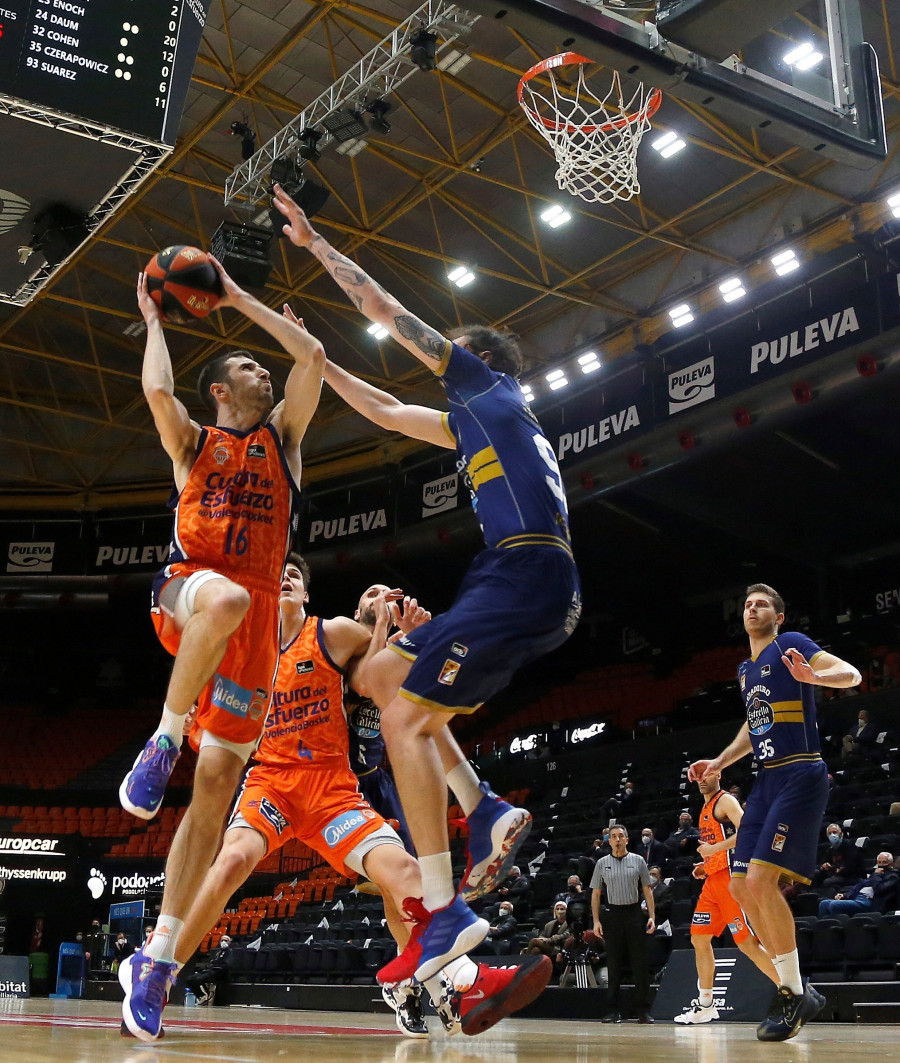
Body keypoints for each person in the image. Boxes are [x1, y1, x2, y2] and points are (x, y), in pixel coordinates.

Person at [273, 184, 580, 996]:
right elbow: (380, 405)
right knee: (379, 680)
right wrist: (316, 359)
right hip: (522, 576)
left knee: (402, 715)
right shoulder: (475, 421)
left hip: (525, 569)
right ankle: (482, 811)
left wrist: (314, 246)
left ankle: (446, 906)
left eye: (450, 355)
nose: (438, 363)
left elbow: (382, 305)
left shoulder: (483, 384)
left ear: (475, 359)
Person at [170, 558, 547, 1039]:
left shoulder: (332, 634)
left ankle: (461, 981)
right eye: (277, 572)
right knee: (230, 864)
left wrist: (408, 639)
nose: (284, 577)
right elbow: (217, 725)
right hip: (272, 783)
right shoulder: (244, 652)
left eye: (295, 575)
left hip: (334, 789)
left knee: (406, 874)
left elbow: (379, 677)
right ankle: (160, 969)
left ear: (306, 594)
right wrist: (188, 724)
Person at [117, 261, 324, 1042]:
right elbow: (156, 394)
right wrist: (160, 321)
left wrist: (239, 297)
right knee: (230, 597)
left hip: (249, 638)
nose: (261, 368)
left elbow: (312, 360)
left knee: (212, 799)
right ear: (220, 390)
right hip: (190, 592)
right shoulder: (194, 441)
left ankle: (158, 956)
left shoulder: (287, 442)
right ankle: (163, 738)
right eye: (247, 364)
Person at [688, 582, 861, 1042]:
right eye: (747, 604)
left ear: (779, 617)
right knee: (743, 888)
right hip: (765, 780)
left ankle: (792, 993)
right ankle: (797, 990)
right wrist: (721, 762)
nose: (753, 608)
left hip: (800, 773)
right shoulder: (746, 670)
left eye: (762, 604)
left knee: (762, 881)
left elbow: (852, 674)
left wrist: (817, 679)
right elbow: (754, 722)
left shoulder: (793, 645)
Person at [674, 770, 777, 1025]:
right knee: (699, 938)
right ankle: (707, 1005)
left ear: (718, 774)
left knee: (747, 944)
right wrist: (706, 864)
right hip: (713, 880)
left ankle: (792, 992)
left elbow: (749, 831)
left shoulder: (726, 800)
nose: (701, 780)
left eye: (706, 775)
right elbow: (717, 846)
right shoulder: (706, 806)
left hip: (732, 879)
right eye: (697, 777)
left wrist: (714, 850)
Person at [346, 583, 416, 855]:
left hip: (374, 776)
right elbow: (364, 684)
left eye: (386, 596)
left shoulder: (393, 652)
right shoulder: (343, 649)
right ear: (357, 612)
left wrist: (419, 639)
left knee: (408, 863)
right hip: (340, 781)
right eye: (372, 594)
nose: (380, 599)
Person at [590, 823, 655, 1024]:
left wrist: (652, 916)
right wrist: (596, 921)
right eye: (614, 836)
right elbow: (596, 893)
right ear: (609, 840)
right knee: (614, 964)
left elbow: (647, 890)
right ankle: (612, 1011)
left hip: (634, 913)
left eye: (621, 836)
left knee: (639, 964)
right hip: (613, 914)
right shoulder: (601, 863)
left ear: (627, 839)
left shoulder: (638, 861)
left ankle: (643, 1011)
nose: (617, 839)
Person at [817, 853, 898, 917]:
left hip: (869, 901)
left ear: (891, 864)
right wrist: (845, 895)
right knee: (823, 904)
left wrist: (877, 875)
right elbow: (860, 887)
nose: (881, 865)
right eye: (879, 862)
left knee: (834, 905)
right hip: (857, 897)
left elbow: (879, 889)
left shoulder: (893, 876)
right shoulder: (875, 874)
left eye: (884, 862)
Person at [810, 823, 865, 895]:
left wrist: (834, 870)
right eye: (830, 833)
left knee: (828, 881)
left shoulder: (850, 846)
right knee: (815, 874)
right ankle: (813, 896)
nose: (832, 835)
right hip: (837, 874)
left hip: (852, 877)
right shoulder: (830, 849)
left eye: (834, 832)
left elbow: (850, 867)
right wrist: (824, 867)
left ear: (841, 834)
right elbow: (825, 862)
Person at [184, 934, 232, 1005]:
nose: (223, 942)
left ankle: (207, 996)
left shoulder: (230, 952)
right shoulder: (217, 952)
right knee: (189, 979)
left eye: (226, 940)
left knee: (199, 979)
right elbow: (210, 961)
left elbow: (227, 965)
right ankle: (202, 996)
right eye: (222, 940)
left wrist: (216, 966)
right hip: (209, 970)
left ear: (229, 942)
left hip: (218, 973)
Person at [522, 901, 570, 968]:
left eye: (562, 909)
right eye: (557, 909)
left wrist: (549, 940)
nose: (559, 911)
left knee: (534, 941)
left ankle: (523, 964)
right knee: (536, 950)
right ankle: (531, 971)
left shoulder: (570, 923)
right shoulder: (549, 924)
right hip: (547, 945)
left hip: (558, 948)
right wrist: (543, 939)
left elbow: (565, 935)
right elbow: (542, 934)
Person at [663, 812, 701, 877]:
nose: (683, 821)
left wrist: (687, 838)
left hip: (683, 855)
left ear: (690, 821)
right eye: (682, 819)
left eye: (686, 820)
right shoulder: (673, 832)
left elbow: (700, 836)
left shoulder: (691, 830)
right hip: (671, 854)